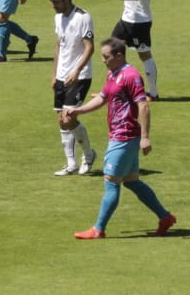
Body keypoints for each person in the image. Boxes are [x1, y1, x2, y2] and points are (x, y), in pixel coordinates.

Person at [62, 37, 177, 239]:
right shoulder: (113, 74)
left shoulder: (131, 76)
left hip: (124, 137)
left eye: (106, 57)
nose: (103, 60)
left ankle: (98, 229)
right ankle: (165, 217)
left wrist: (145, 137)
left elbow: (143, 106)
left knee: (111, 182)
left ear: (119, 55)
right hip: (120, 135)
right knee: (132, 181)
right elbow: (102, 98)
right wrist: (78, 110)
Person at [47, 0, 98, 177]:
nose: (54, 5)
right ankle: (71, 164)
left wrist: (77, 70)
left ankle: (89, 154)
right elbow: (59, 46)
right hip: (61, 75)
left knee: (69, 117)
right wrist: (54, 75)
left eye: (56, 1)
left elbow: (89, 47)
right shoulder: (58, 18)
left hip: (80, 76)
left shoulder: (83, 17)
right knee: (61, 119)